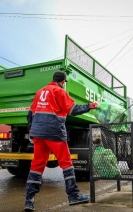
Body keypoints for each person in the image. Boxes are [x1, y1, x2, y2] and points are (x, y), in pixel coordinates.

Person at [24, 71, 98, 211]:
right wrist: (91, 105)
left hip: (38, 134)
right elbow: (73, 110)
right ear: (63, 82)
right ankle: (73, 195)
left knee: (37, 166)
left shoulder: (40, 92)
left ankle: (29, 200)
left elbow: (29, 114)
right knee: (66, 163)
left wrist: (32, 131)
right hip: (54, 133)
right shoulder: (59, 91)